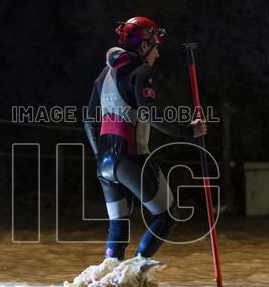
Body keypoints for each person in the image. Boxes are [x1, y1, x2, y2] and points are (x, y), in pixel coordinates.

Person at [84, 16, 206, 261]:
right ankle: (135, 274)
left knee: (118, 230)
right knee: (167, 216)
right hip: (131, 157)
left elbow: (88, 121)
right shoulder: (141, 69)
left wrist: (101, 157)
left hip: (105, 162)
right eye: (156, 46)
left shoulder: (104, 73)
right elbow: (148, 113)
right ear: (144, 45)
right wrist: (188, 131)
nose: (157, 54)